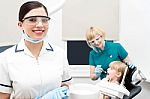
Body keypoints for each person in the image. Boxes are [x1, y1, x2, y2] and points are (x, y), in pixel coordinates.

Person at [0, 1, 72, 99]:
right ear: (20, 25)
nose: (40, 25)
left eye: (44, 20)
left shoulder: (59, 54)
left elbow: (66, 86)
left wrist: (61, 92)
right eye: (32, 20)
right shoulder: (5, 58)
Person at [85, 26, 140, 92]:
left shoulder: (116, 47)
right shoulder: (92, 54)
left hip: (121, 84)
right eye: (92, 42)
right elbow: (92, 77)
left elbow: (128, 65)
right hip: (106, 85)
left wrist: (130, 66)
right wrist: (96, 74)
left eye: (97, 39)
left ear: (101, 36)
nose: (96, 43)